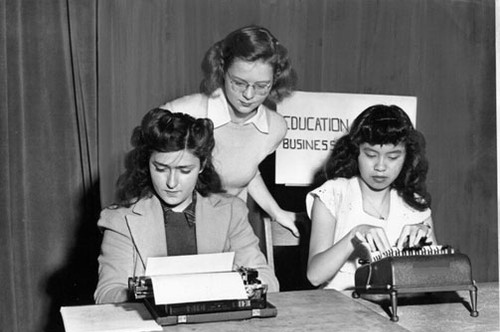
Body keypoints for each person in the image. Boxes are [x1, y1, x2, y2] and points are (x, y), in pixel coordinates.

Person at [94, 108, 279, 304]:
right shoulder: (121, 219)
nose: (172, 183)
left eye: (184, 170)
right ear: (147, 163)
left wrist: (229, 284)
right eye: (161, 169)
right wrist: (147, 293)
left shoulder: (231, 211)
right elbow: (107, 294)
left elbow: (268, 281)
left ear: (202, 165)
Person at [162, 25, 299, 236]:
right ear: (222, 70)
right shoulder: (178, 112)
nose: (249, 95)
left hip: (227, 229)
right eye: (238, 83)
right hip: (171, 226)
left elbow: (245, 170)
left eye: (262, 86)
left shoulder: (275, 128)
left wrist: (276, 212)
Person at [306, 104, 437, 290]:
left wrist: (424, 246)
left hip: (397, 307)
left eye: (392, 157)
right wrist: (355, 235)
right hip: (338, 309)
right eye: (370, 155)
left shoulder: (414, 205)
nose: (380, 167)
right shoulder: (333, 194)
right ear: (355, 152)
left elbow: (435, 281)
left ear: (407, 157)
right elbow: (315, 276)